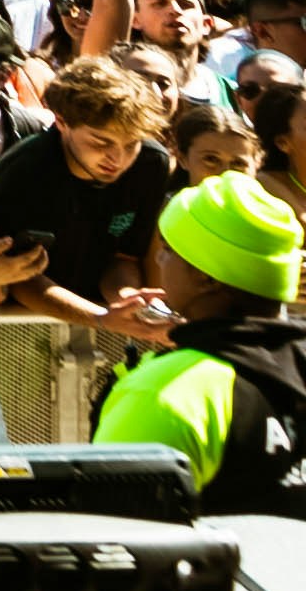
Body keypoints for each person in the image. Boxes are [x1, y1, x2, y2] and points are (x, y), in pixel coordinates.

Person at [97, 175, 306, 506]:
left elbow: (111, 537)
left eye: (168, 250)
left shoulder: (169, 391)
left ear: (205, 277)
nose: (160, 260)